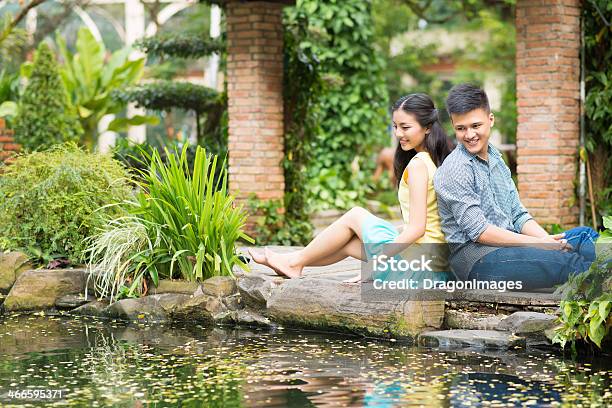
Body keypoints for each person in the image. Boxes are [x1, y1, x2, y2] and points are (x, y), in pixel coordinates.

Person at [249, 93, 453, 281]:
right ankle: (294, 262)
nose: (399, 133)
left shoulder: (418, 165)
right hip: (433, 266)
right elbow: (426, 223)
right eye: (395, 126)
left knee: (356, 214)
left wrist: (374, 265)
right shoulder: (434, 160)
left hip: (419, 268)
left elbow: (417, 229)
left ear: (427, 127)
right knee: (349, 244)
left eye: (405, 127)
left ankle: (294, 261)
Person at [433, 83, 599, 290]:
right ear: (453, 125)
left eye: (476, 126)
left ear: (490, 120)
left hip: (511, 247)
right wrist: (539, 245)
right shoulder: (455, 169)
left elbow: (518, 215)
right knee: (569, 263)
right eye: (461, 128)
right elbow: (479, 232)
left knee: (584, 237)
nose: (469, 134)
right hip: (478, 262)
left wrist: (546, 239)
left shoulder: (497, 159)